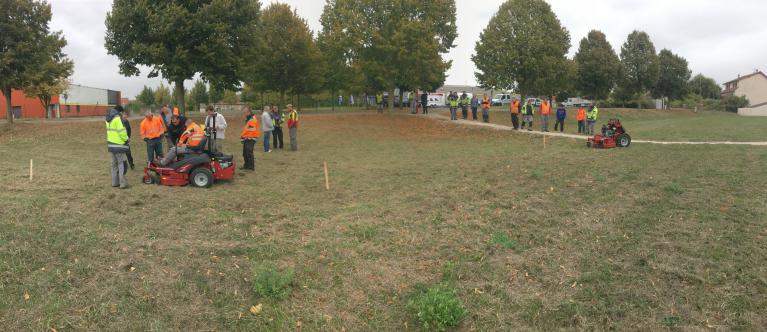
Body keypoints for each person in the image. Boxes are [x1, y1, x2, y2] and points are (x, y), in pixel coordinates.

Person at [106, 106, 130, 189]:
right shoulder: (117, 119)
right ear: (118, 112)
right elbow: (121, 131)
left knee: (114, 165)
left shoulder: (107, 119)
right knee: (122, 163)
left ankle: (114, 182)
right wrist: (126, 139)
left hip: (111, 145)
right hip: (119, 145)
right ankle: (123, 183)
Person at [240, 107, 260, 171]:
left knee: (249, 153)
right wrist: (243, 137)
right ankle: (246, 166)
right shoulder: (249, 119)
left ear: (248, 112)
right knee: (245, 153)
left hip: (250, 138)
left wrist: (244, 137)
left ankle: (251, 167)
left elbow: (251, 131)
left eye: (245, 112)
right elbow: (247, 129)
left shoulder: (252, 120)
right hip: (247, 138)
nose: (244, 114)